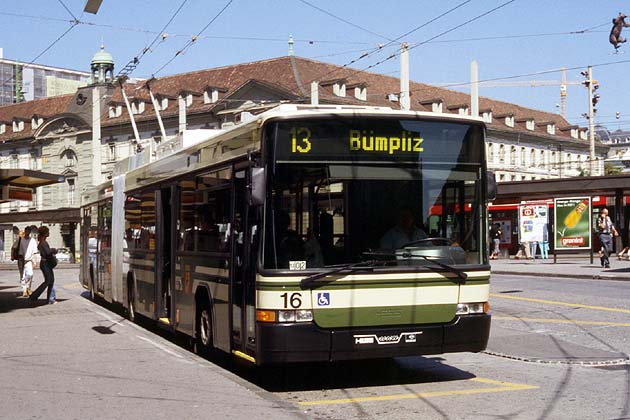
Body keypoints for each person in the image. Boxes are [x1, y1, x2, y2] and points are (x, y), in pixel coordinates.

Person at [29, 226, 58, 304]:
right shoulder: (43, 243)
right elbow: (48, 253)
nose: (49, 233)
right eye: (48, 232)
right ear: (45, 233)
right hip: (45, 264)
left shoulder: (42, 242)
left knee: (51, 281)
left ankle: (50, 299)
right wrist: (54, 250)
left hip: (45, 264)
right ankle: (34, 296)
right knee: (48, 281)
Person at [20, 227, 38, 297]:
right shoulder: (21, 240)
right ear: (25, 231)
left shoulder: (32, 240)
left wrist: (35, 262)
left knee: (30, 274)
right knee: (23, 276)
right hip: (21, 261)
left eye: (28, 231)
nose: (27, 233)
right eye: (26, 231)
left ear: (30, 232)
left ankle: (28, 287)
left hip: (29, 260)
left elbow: (34, 252)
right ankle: (24, 290)